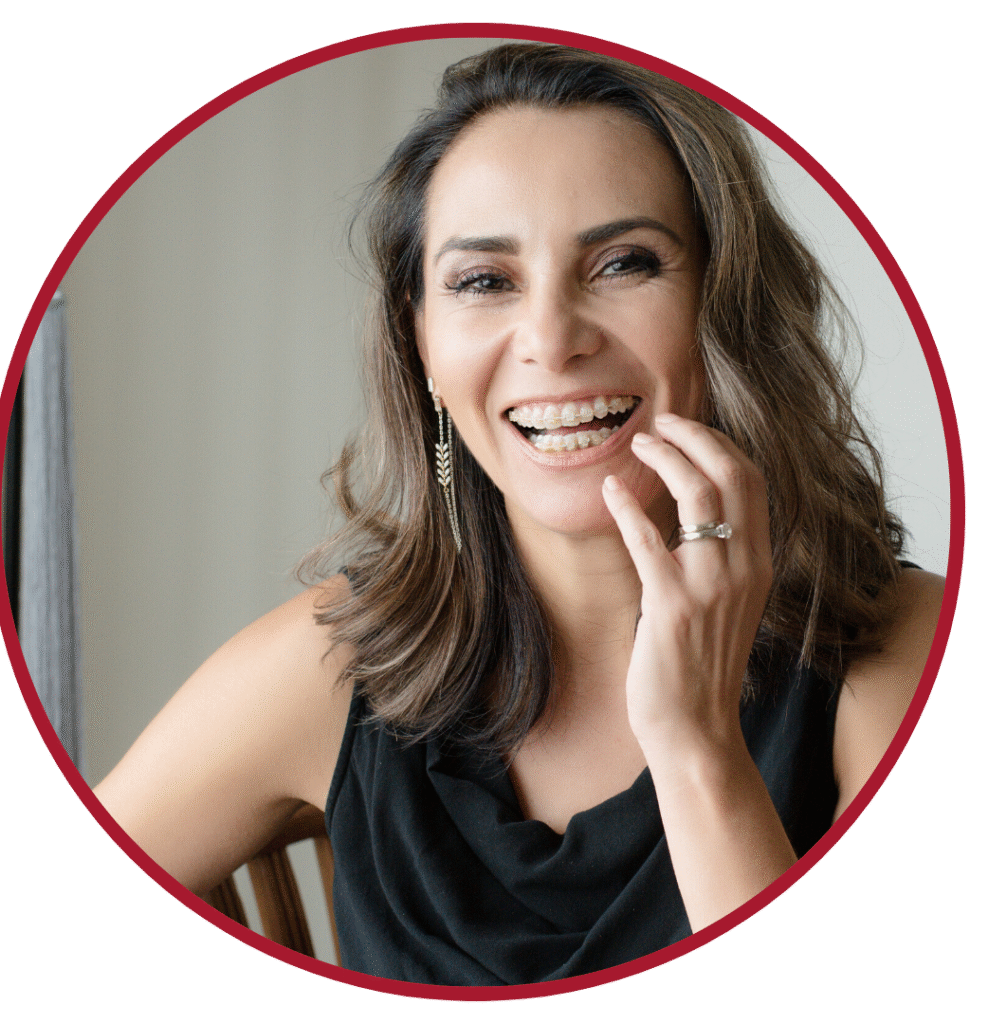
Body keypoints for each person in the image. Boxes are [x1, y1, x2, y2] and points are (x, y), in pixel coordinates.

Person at [94, 44, 943, 985]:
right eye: (483, 281)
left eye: (623, 263)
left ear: (727, 305)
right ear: (421, 343)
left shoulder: (909, 653)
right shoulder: (324, 670)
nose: (550, 338)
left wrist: (699, 750)